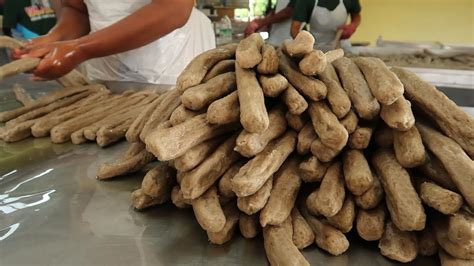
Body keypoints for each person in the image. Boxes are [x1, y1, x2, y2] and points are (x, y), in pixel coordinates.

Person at [13, 0, 215, 85]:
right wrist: (56, 39)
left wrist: (78, 49)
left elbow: (173, 8)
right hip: (104, 66)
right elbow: (78, 9)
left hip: (170, 61)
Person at [290, 0, 361, 49]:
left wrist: (353, 26)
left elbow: (356, 16)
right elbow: (294, 28)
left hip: (341, 45)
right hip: (314, 46)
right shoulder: (306, 1)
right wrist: (304, 47)